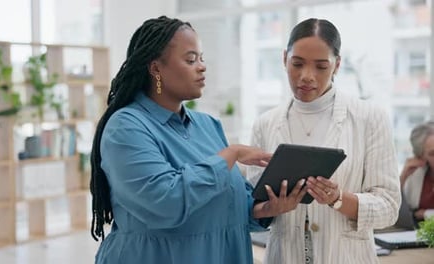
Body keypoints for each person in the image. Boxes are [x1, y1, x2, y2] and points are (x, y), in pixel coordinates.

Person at [89, 16, 307, 264]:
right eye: (191, 60)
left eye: (201, 58)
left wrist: (266, 209)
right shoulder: (126, 127)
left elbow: (229, 206)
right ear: (156, 69)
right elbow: (165, 203)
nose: (202, 67)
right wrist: (230, 155)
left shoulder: (208, 125)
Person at [247, 18, 401, 264]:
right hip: (284, 256)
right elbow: (252, 206)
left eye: (321, 66)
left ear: (337, 65)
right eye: (297, 64)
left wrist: (339, 199)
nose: (307, 76)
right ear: (284, 58)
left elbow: (389, 207)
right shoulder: (265, 124)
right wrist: (271, 208)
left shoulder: (369, 118)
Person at [401, 121, 434, 221]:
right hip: (417, 233)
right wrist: (403, 176)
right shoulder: (417, 173)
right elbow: (396, 210)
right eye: (433, 153)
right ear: (421, 156)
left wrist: (426, 214)